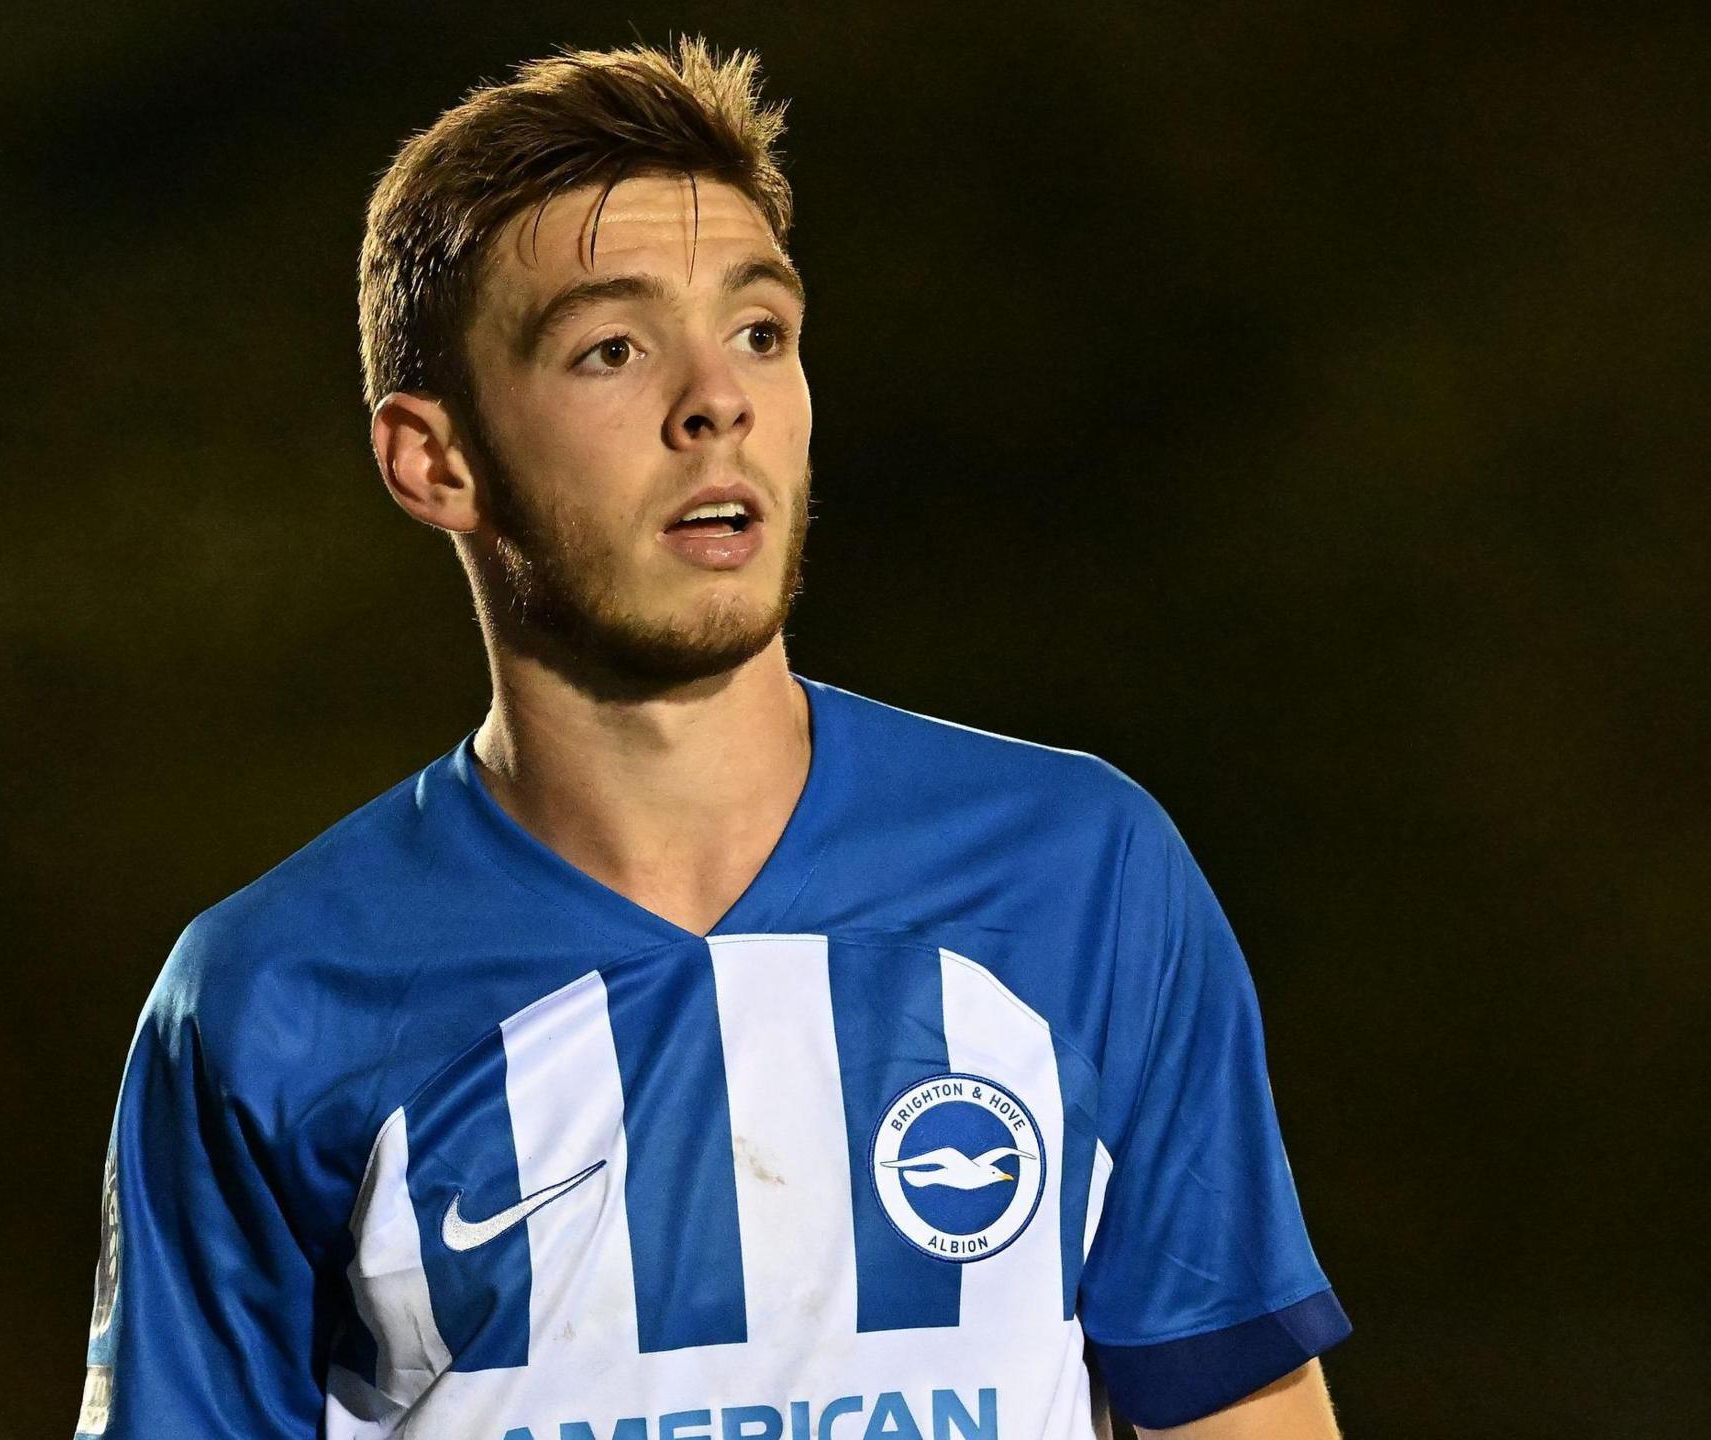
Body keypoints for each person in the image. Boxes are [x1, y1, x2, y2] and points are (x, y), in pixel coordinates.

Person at [74, 37, 1350, 1440]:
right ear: (433, 460)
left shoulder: (1078, 875)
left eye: (760, 332)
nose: (717, 400)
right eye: (611, 349)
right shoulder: (273, 997)